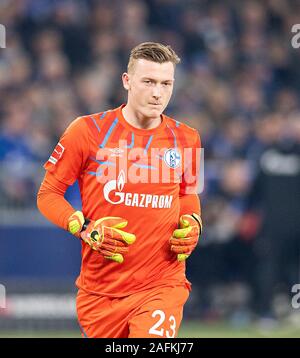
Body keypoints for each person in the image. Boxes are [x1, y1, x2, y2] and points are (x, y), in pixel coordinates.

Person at [37, 42, 202, 338]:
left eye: (166, 84)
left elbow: (188, 195)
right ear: (127, 81)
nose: (157, 93)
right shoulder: (86, 131)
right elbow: (47, 195)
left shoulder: (188, 138)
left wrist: (194, 223)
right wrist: (85, 228)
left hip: (162, 285)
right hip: (100, 293)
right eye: (148, 82)